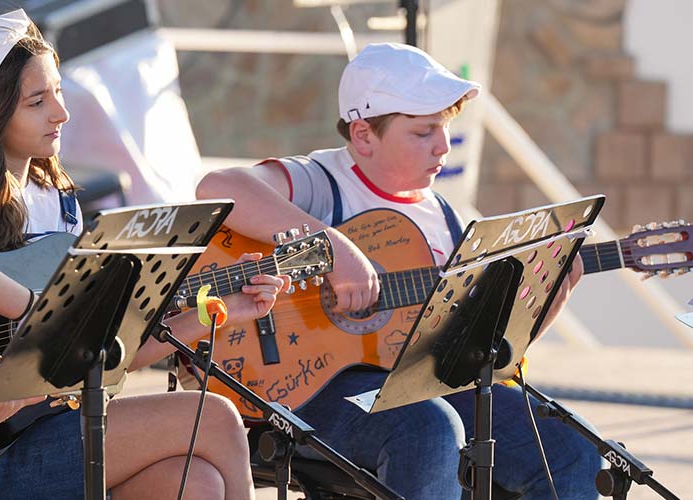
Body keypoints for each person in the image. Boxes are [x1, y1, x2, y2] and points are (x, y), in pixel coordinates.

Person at [0, 10, 289, 500]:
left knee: (194, 484)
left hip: (42, 430)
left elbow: (95, 356)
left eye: (58, 91)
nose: (60, 112)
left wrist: (216, 315)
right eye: (38, 101)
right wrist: (35, 311)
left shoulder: (59, 206)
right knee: (214, 417)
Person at [196, 43, 602, 499]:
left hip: (413, 384)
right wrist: (332, 246)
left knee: (573, 450)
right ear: (365, 135)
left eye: (445, 129)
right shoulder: (321, 180)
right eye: (424, 132)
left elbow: (474, 360)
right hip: (307, 385)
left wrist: (547, 303)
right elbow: (218, 188)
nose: (444, 145)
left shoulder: (446, 218)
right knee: (428, 430)